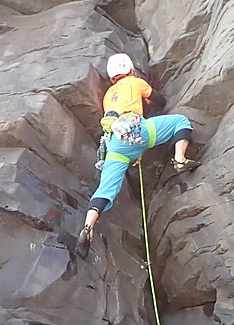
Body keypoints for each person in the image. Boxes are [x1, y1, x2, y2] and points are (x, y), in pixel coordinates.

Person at [76, 52, 200, 259]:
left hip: (115, 145)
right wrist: (149, 103)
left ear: (112, 77)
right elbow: (159, 101)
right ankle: (179, 159)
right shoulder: (135, 82)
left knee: (105, 189)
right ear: (130, 69)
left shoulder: (108, 96)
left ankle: (88, 226)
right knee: (180, 122)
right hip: (138, 132)